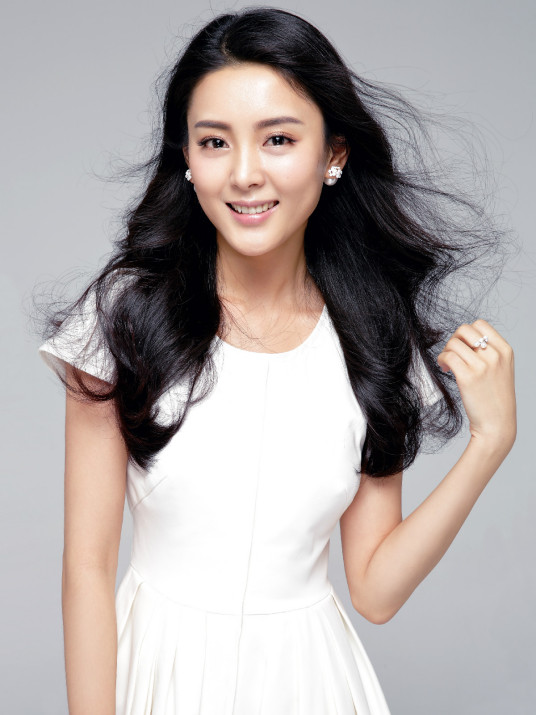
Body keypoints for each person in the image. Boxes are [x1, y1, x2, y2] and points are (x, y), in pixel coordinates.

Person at [37, 7, 517, 714]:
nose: (244, 174)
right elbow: (86, 568)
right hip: (160, 678)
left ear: (334, 154)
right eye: (214, 141)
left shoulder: (373, 335)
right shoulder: (123, 316)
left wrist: (490, 442)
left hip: (311, 684)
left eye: (279, 139)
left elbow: (375, 590)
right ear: (186, 157)